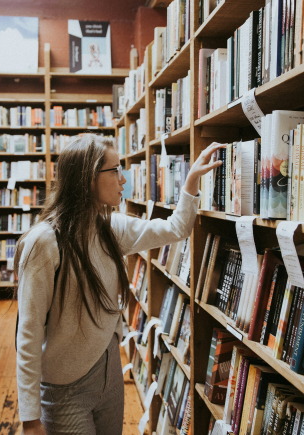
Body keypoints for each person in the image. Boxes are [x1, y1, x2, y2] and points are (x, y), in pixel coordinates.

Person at [15, 134, 225, 435]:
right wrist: (30, 418)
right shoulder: (44, 243)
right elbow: (29, 332)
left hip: (109, 372)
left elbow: (176, 228)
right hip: (64, 389)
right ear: (89, 179)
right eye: (115, 170)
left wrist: (190, 183)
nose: (123, 179)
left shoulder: (111, 227)